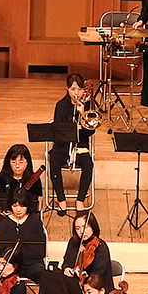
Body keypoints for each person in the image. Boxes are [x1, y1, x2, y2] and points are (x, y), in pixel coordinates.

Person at [49, 73, 96, 215]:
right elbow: (57, 129)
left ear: (83, 91)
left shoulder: (88, 106)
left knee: (88, 165)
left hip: (80, 146)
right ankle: (61, 199)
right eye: (73, 89)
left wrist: (82, 115)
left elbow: (89, 133)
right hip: (63, 145)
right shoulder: (61, 105)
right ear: (67, 89)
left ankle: (80, 200)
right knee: (55, 162)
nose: (76, 93)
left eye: (79, 89)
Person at [0, 143, 42, 229]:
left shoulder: (34, 180)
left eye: (21, 162)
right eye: (13, 162)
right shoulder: (1, 178)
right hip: (6, 220)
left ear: (27, 162)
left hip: (26, 219)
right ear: (8, 162)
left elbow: (36, 204)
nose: (17, 166)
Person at [0, 187, 46, 284]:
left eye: (22, 206)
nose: (18, 210)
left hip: (30, 264)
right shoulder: (3, 222)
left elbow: (39, 249)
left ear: (28, 206)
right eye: (15, 206)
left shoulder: (34, 220)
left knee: (45, 277)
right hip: (8, 265)